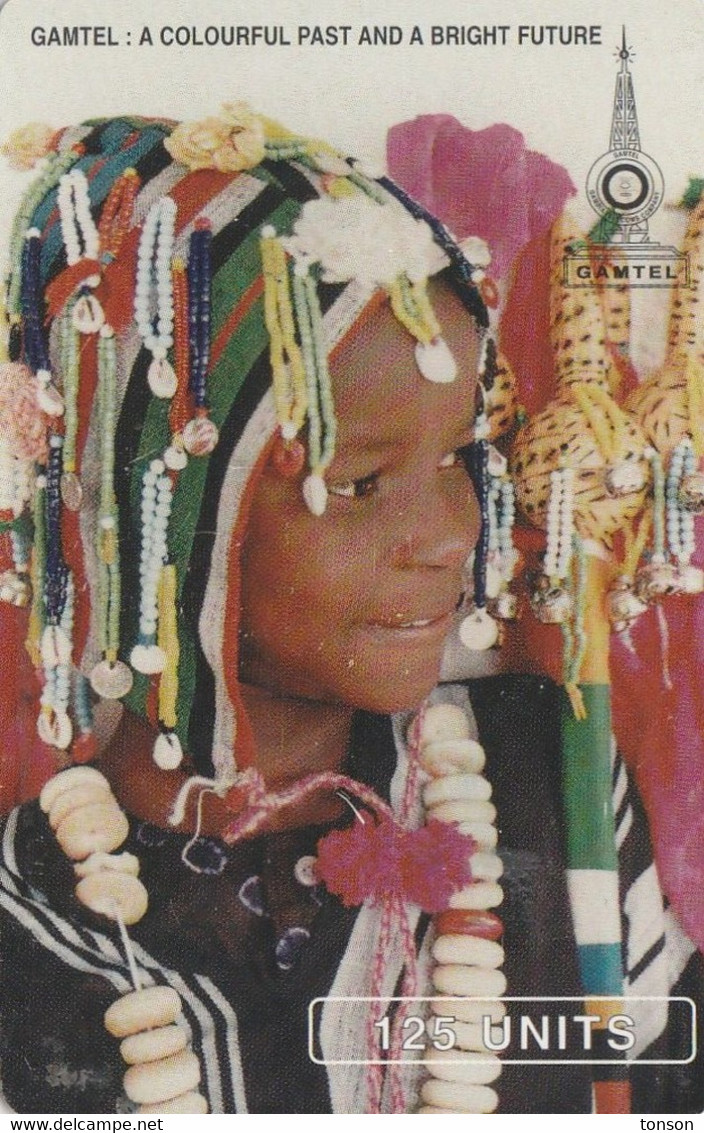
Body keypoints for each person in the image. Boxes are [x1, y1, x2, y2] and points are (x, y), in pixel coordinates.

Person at [0, 106, 700, 1116]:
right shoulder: (29, 935)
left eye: (460, 456)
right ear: (163, 502)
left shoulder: (547, 783)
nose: (444, 534)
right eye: (361, 481)